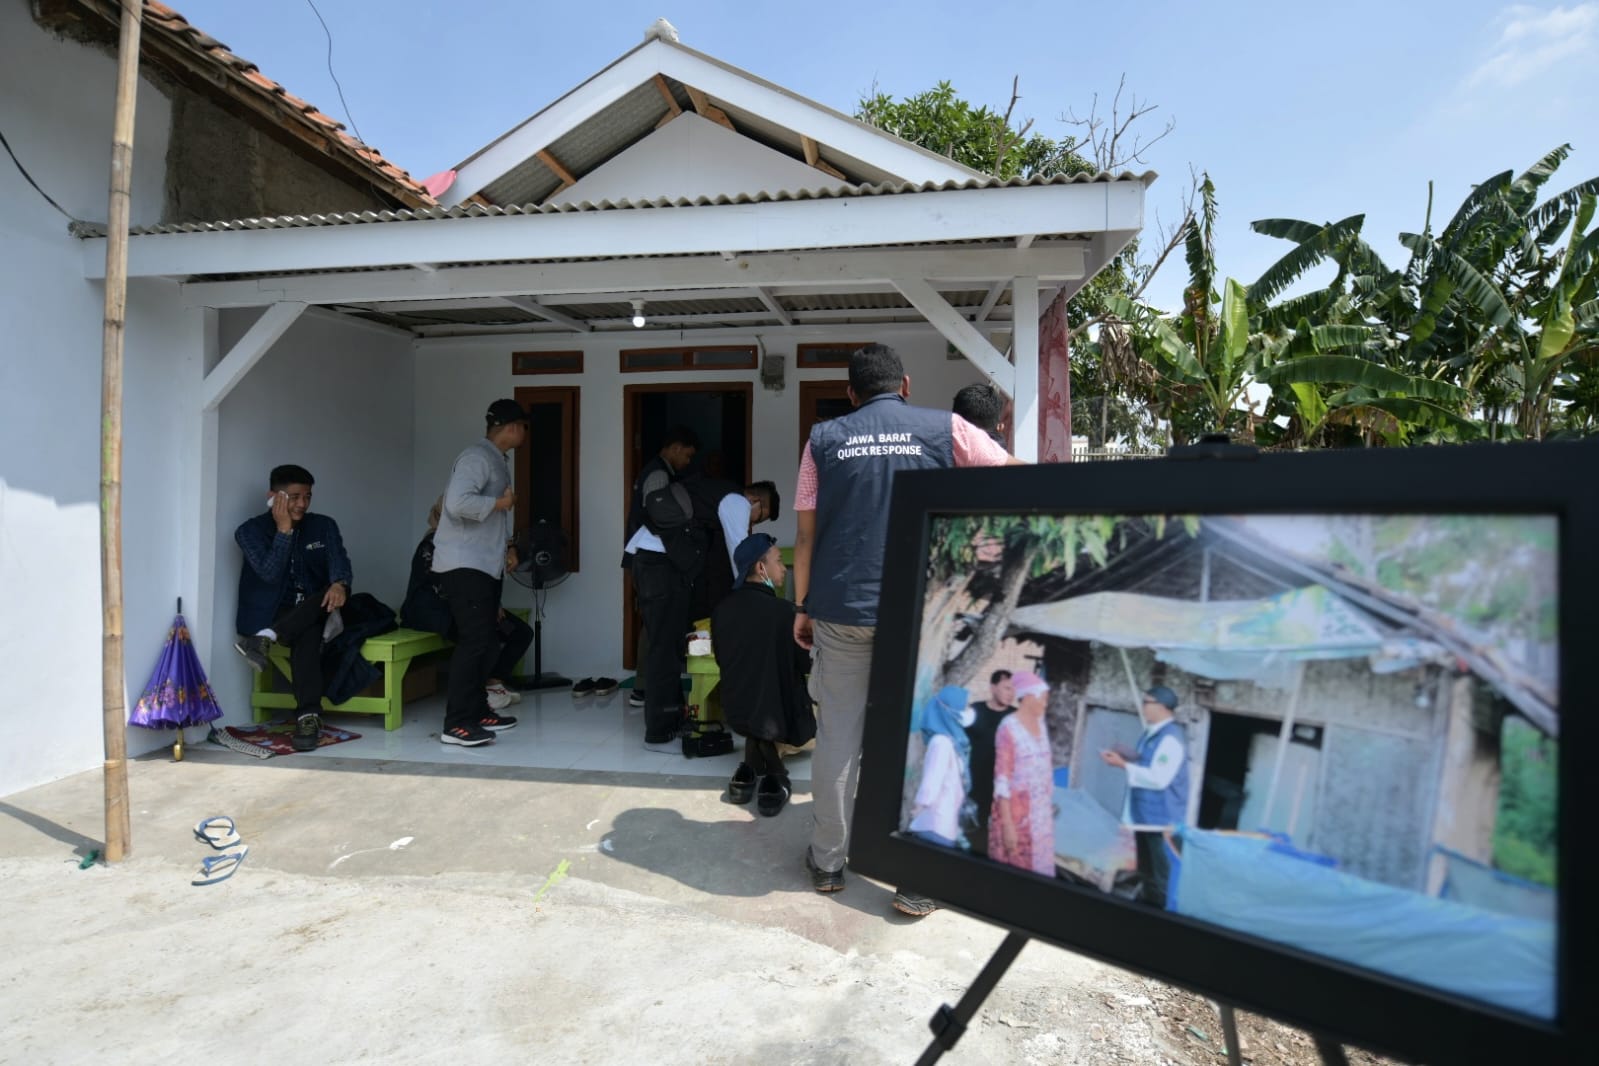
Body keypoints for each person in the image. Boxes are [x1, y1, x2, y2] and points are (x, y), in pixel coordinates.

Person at [791, 343, 1023, 917]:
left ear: (850, 393)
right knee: (919, 736)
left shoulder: (823, 438)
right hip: (916, 611)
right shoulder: (946, 429)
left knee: (838, 736)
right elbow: (1015, 476)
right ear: (907, 385)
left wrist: (802, 606)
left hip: (841, 608)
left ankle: (828, 862)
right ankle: (915, 879)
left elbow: (804, 535)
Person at [233, 464, 353, 752]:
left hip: (314, 606)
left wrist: (340, 584)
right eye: (294, 496)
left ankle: (266, 639)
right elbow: (269, 573)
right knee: (309, 626)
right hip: (270, 612)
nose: (302, 504)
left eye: (307, 497)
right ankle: (308, 716)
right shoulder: (249, 531)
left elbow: (340, 563)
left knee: (319, 605)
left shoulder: (323, 525)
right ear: (273, 496)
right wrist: (284, 531)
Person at [431, 399, 527, 747]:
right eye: (524, 428)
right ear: (514, 427)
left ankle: (476, 710)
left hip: (484, 563)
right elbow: (456, 504)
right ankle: (456, 723)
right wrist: (501, 504)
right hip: (463, 565)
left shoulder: (495, 459)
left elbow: (496, 516)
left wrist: (509, 546)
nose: (524, 434)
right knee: (473, 643)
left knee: (485, 641)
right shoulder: (476, 457)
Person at [713, 533, 814, 817]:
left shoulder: (720, 611)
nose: (783, 569)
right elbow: (806, 667)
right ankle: (775, 773)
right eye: (779, 562)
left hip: (736, 714)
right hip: (779, 719)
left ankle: (749, 768)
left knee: (757, 697)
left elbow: (722, 661)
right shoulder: (786, 614)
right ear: (761, 568)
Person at [401, 497, 533, 711]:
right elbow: (451, 586)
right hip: (431, 611)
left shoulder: (471, 546)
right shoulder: (431, 544)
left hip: (469, 606)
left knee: (521, 632)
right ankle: (475, 695)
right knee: (482, 638)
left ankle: (492, 683)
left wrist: (492, 603)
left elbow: (483, 578)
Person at [622, 427, 699, 713]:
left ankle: (647, 686)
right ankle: (643, 688)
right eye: (688, 455)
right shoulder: (658, 475)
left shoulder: (657, 471)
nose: (688, 462)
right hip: (651, 560)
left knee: (654, 624)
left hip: (645, 558)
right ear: (675, 447)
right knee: (655, 627)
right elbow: (660, 514)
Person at [1100, 684, 1189, 907]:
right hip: (1145, 819)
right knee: (1146, 872)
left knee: (1159, 877)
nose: (1144, 707)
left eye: (1147, 702)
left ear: (1163, 707)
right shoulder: (1151, 734)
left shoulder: (1170, 739)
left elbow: (1159, 778)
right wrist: (1129, 757)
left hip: (1160, 822)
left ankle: (1156, 917)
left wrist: (1123, 765)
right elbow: (1146, 762)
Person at [988, 671, 1055, 876]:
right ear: (1027, 698)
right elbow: (1002, 780)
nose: (1045, 704)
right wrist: (1008, 825)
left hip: (1041, 816)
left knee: (1040, 874)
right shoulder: (1009, 727)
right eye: (1042, 698)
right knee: (1014, 873)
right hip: (1017, 816)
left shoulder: (1041, 726)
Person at [907, 686, 975, 849]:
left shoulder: (948, 742)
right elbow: (933, 781)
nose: (969, 711)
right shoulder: (943, 742)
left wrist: (918, 808)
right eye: (964, 706)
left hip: (938, 823)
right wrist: (919, 808)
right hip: (936, 824)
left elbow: (932, 782)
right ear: (949, 710)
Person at [964, 670, 1016, 856]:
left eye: (1014, 689)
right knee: (972, 826)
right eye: (1007, 688)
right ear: (993, 687)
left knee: (998, 831)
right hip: (974, 782)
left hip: (1002, 785)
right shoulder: (974, 711)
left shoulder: (1015, 717)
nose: (1011, 693)